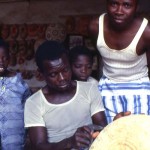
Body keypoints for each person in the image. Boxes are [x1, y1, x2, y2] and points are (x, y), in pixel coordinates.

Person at [24, 40, 107, 150]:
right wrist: (69, 143)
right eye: (53, 74)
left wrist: (113, 125)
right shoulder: (34, 103)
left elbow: (102, 128)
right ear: (41, 74)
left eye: (66, 70)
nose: (62, 78)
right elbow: (39, 146)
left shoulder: (89, 89)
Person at [89, 0, 150, 123]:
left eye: (126, 5)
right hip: (107, 86)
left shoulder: (146, 32)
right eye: (114, 4)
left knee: (138, 132)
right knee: (109, 133)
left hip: (139, 86)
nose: (119, 11)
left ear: (136, 7)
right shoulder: (95, 27)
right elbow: (100, 54)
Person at [0, 39, 31, 149]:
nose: (1, 61)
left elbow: (29, 107)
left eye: (4, 58)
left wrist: (28, 136)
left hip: (14, 140)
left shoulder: (19, 82)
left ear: (9, 59)